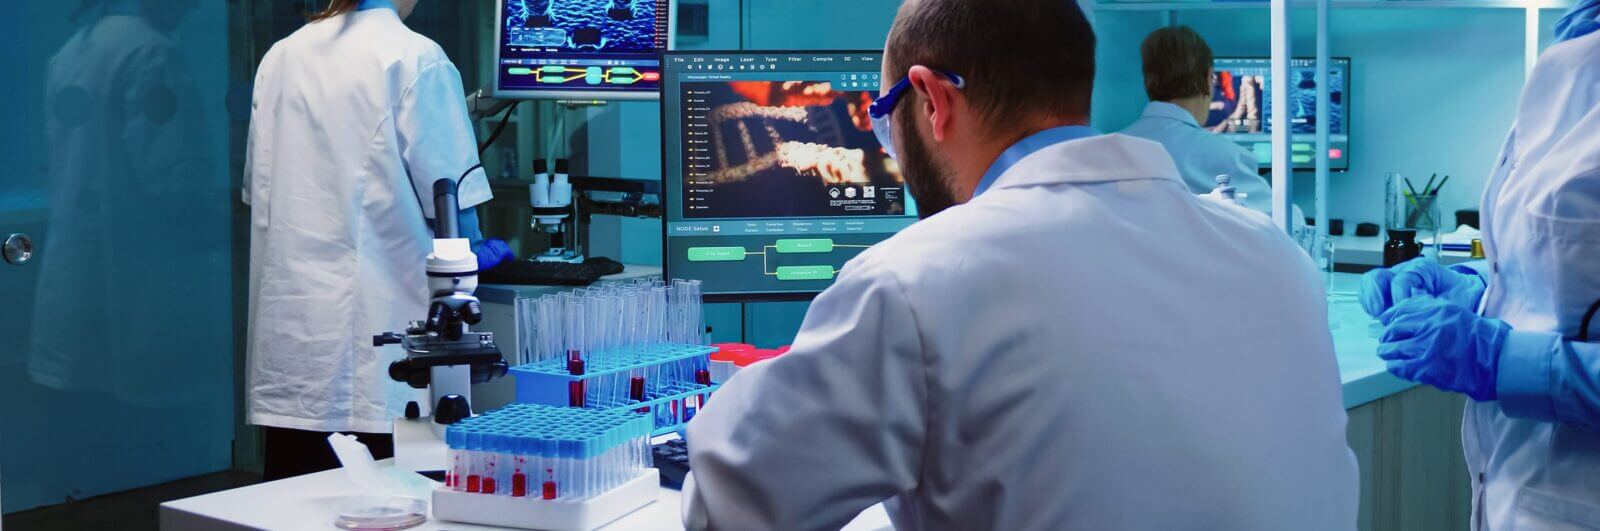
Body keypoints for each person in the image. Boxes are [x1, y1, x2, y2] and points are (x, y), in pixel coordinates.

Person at [681, 1, 1358, 529]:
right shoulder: (1278, 260)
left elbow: (727, 505)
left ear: (932, 99)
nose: (889, 142)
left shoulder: (914, 285)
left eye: (885, 116)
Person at [244, 0, 513, 480]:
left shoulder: (279, 58)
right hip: (381, 372)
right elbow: (454, 214)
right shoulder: (414, 58)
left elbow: (261, 192)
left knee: (290, 510)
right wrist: (484, 250)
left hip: (292, 363)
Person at [1358, 14, 1600, 530]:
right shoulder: (1572, 53)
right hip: (1519, 494)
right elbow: (1571, 274)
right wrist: (1475, 288)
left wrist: (1500, 359)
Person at [1120, 26, 1274, 214]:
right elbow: (1283, 221)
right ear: (1208, 78)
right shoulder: (1227, 158)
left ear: (1147, 80)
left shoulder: (1111, 149)